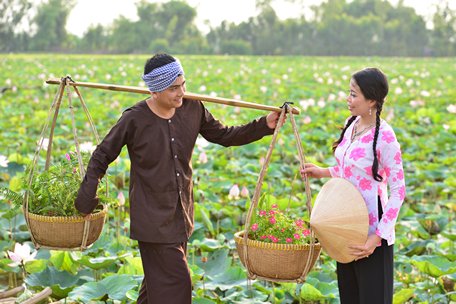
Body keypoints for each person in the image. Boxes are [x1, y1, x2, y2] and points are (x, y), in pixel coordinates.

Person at [74, 53, 281, 304]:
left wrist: (264, 124)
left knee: (154, 291)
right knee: (178, 285)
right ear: (155, 91)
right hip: (152, 220)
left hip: (182, 214)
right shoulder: (134, 119)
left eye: (183, 84)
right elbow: (102, 155)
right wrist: (87, 195)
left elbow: (225, 136)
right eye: (173, 88)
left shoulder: (193, 108)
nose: (181, 92)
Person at [301, 67, 405, 303]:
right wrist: (323, 172)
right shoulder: (352, 124)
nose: (348, 99)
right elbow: (352, 171)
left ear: (372, 100)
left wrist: (376, 239)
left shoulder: (385, 137)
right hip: (345, 226)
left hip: (371, 232)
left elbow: (399, 192)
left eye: (354, 94)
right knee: (349, 297)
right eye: (349, 93)